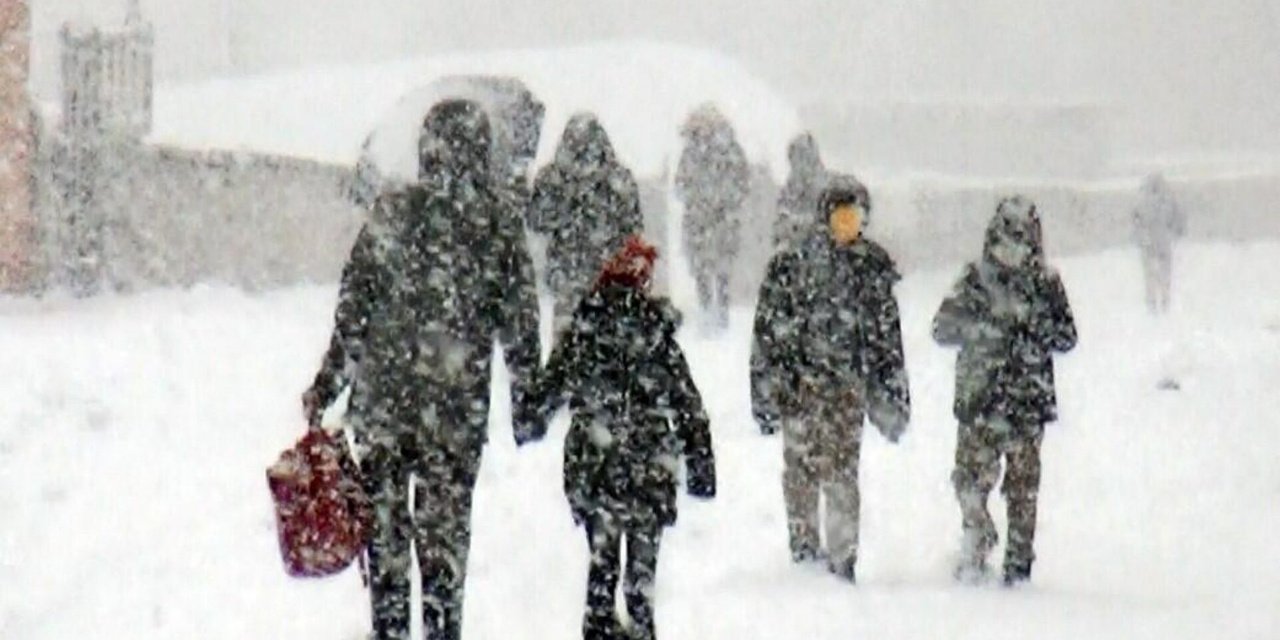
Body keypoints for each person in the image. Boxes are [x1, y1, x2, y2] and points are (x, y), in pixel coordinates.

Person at [302, 99, 541, 640]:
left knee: (385, 538)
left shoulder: (393, 212)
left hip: (384, 408)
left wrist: (328, 382)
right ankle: (440, 629)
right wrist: (526, 398)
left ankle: (389, 630)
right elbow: (520, 323)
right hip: (456, 413)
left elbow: (354, 309)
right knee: (444, 544)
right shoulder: (497, 226)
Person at [523, 235, 716, 640]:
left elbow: (547, 392)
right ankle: (639, 630)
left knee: (602, 565)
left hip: (596, 467)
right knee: (641, 577)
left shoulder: (585, 331)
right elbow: (687, 404)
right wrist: (701, 465)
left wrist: (530, 419)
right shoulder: (656, 335)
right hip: (649, 467)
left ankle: (599, 629)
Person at [749, 175, 910, 583]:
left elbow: (886, 342)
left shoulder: (871, 269)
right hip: (800, 388)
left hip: (845, 392)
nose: (847, 228)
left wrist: (891, 395)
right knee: (800, 471)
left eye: (854, 219)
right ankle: (804, 551)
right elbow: (767, 334)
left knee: (841, 474)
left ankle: (842, 559)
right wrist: (766, 391)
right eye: (840, 219)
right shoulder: (792, 265)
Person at [932, 195, 1077, 586]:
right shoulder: (974, 279)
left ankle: (1018, 564)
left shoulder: (1046, 284)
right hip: (980, 401)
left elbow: (1066, 336)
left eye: (1021, 240)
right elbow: (942, 328)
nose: (1012, 250)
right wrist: (984, 328)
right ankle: (977, 541)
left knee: (1023, 490)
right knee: (968, 482)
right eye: (1005, 240)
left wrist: (1031, 330)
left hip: (1026, 403)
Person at [528, 113, 643, 334]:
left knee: (567, 347)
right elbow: (634, 227)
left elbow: (536, 220)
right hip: (607, 279)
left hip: (570, 276)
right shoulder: (618, 179)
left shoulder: (552, 178)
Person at [675, 104, 750, 328]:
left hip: (718, 220)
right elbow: (681, 184)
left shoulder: (728, 151)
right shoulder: (692, 152)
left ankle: (720, 311)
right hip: (702, 220)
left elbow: (741, 182)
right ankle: (707, 309)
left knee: (720, 267)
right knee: (703, 267)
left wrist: (719, 201)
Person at [1131, 173, 1186, 314]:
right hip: (1162, 242)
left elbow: (1136, 223)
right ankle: (1164, 301)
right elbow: (1177, 220)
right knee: (1164, 274)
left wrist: (1139, 239)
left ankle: (1153, 304)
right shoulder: (1168, 201)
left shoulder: (1141, 202)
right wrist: (1177, 232)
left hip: (1148, 243)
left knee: (1150, 276)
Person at [772, 132, 830, 251]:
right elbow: (781, 222)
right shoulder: (788, 191)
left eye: (805, 158)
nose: (801, 165)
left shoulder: (828, 188)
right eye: (796, 159)